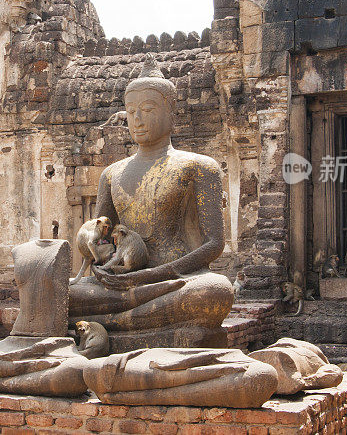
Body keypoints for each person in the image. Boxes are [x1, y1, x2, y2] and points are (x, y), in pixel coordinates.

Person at [69, 57, 234, 338]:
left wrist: (150, 275)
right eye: (131, 111)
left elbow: (214, 244)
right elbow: (104, 240)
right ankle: (141, 321)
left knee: (214, 292)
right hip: (121, 283)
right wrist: (103, 269)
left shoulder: (198, 166)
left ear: (171, 113)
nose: (138, 119)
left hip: (173, 281)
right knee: (65, 295)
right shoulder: (111, 174)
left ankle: (116, 324)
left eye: (147, 109)